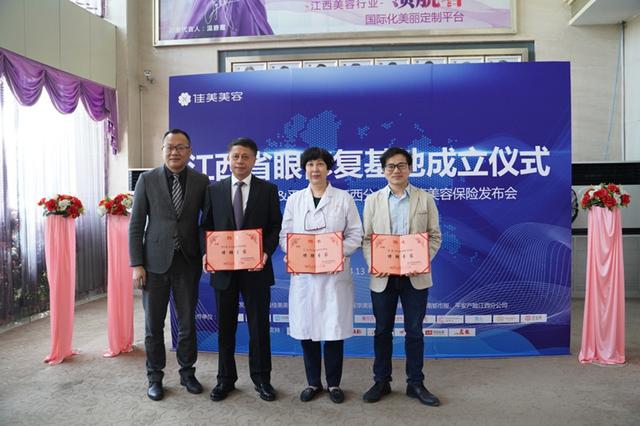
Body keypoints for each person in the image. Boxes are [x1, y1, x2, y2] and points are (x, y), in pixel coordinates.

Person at [128, 129, 210, 401]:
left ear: (189, 151)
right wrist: (137, 264)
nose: (175, 152)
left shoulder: (200, 181)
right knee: (153, 326)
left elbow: (206, 223)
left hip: (187, 262)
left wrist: (206, 252)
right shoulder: (147, 179)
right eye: (170, 147)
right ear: (162, 150)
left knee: (187, 323)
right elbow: (136, 224)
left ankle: (187, 373)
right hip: (153, 264)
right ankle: (155, 377)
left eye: (180, 147)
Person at [279, 147, 363, 404]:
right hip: (304, 277)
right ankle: (313, 382)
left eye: (320, 164)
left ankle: (334, 384)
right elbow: (285, 235)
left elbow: (356, 234)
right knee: (307, 330)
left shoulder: (343, 199)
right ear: (304, 169)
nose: (315, 169)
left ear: (328, 168)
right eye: (310, 165)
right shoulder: (295, 200)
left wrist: (334, 252)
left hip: (333, 277)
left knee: (333, 331)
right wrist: (292, 252)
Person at [201, 137, 282, 402]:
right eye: (235, 156)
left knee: (259, 327)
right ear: (228, 159)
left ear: (254, 160)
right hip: (224, 270)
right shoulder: (214, 190)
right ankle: (225, 380)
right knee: (225, 327)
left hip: (256, 269)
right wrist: (207, 251)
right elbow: (206, 226)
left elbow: (275, 226)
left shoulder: (267, 189)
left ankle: (262, 379)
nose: (240, 161)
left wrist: (265, 252)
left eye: (245, 156)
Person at [361, 147, 442, 406]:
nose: (396, 170)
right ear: (383, 170)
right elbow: (366, 239)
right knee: (382, 330)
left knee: (414, 332)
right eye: (391, 166)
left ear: (410, 168)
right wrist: (375, 262)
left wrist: (421, 260)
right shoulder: (372, 200)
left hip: (415, 276)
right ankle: (381, 381)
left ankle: (415, 383)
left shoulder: (425, 199)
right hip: (383, 276)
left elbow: (435, 236)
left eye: (402, 165)